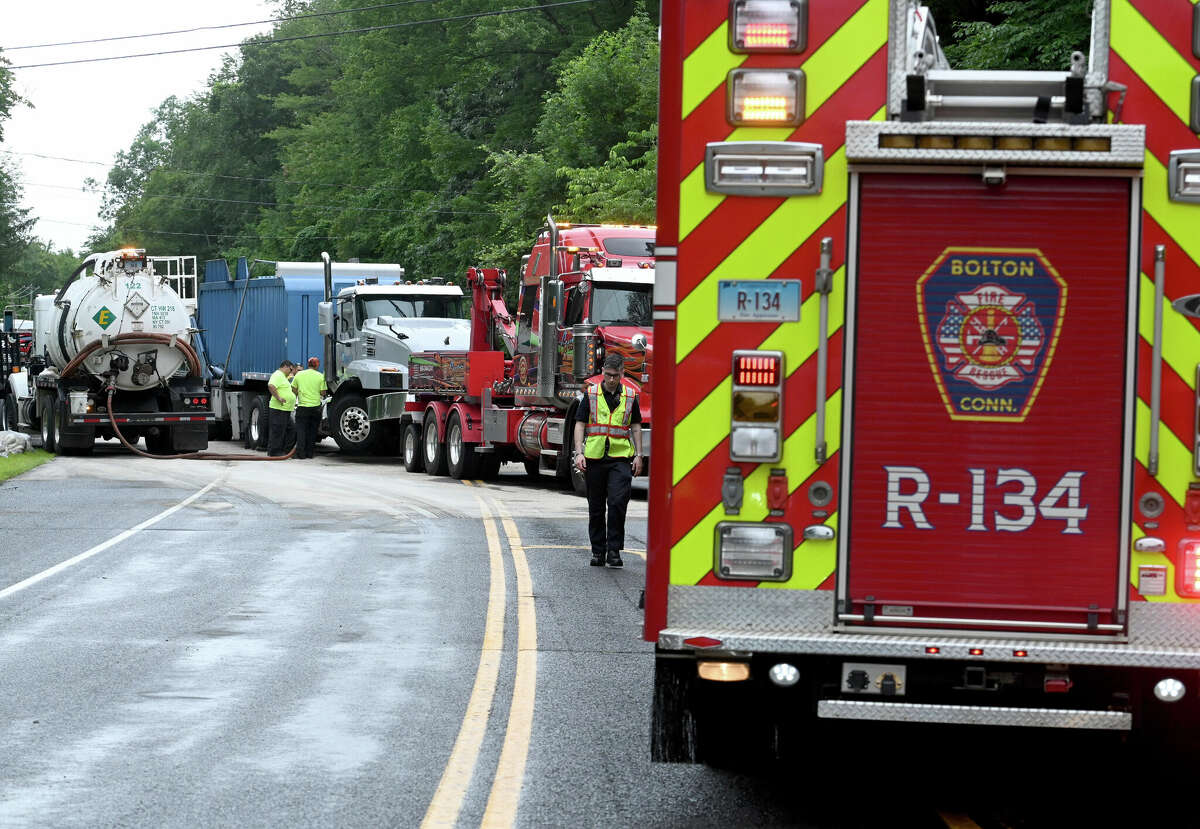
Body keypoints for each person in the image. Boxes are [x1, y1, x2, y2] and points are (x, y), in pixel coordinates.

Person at [573, 353, 644, 568]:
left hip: (620, 458)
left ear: (622, 374)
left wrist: (639, 455)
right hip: (594, 458)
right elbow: (580, 424)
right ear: (603, 372)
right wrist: (579, 453)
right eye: (607, 375)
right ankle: (598, 551)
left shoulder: (630, 396)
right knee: (596, 507)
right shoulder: (592, 394)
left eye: (615, 376)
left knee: (616, 503)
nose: (611, 379)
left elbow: (636, 426)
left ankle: (613, 550)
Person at [292, 356, 327, 459]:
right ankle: (309, 453)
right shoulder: (320, 376)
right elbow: (323, 392)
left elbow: (293, 389)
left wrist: (300, 394)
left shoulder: (299, 375)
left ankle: (301, 454)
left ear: (308, 364)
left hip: (302, 407)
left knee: (301, 430)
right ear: (317, 365)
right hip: (315, 408)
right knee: (312, 431)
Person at [266, 359, 297, 457]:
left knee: (291, 429)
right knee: (277, 430)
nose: (291, 372)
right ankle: (274, 452)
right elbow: (271, 386)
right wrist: (278, 397)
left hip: (285, 410)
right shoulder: (278, 375)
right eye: (290, 369)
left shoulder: (283, 377)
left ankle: (286, 451)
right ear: (285, 366)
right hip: (278, 409)